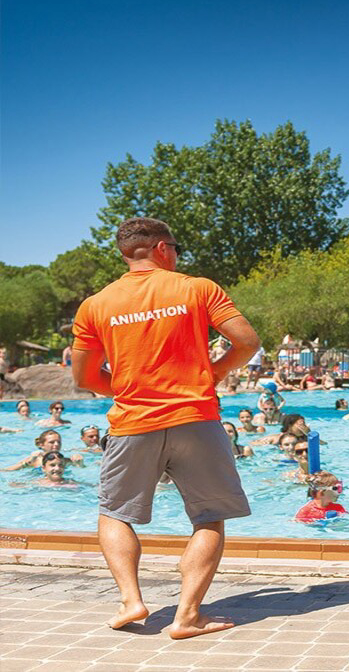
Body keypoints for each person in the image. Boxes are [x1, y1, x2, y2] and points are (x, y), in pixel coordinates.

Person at [70, 216, 259, 639]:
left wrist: (123, 389)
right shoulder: (197, 288)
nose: (177, 255)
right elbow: (246, 341)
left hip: (133, 422)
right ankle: (188, 616)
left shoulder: (96, 304)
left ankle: (131, 600)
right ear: (159, 248)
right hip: (196, 418)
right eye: (175, 247)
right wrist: (211, 375)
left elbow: (82, 378)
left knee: (115, 514)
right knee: (209, 518)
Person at [4, 429, 84, 470]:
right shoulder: (35, 460)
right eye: (52, 442)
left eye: (58, 442)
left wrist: (79, 462)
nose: (56, 444)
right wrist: (27, 463)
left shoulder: (65, 460)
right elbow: (6, 470)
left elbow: (82, 469)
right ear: (41, 445)